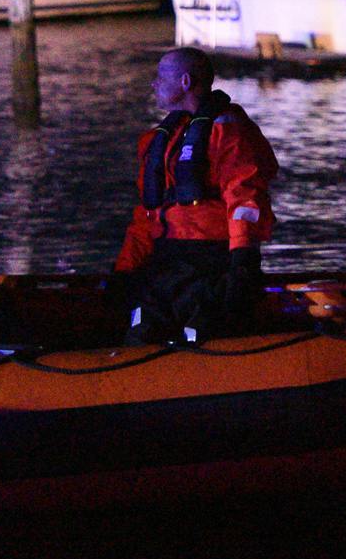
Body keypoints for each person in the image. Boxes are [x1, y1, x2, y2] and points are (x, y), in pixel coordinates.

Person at [110, 47, 278, 341]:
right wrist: (125, 270)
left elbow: (244, 197)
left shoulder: (226, 132)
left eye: (161, 77)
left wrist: (242, 260)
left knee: (203, 330)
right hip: (166, 264)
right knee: (140, 331)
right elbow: (147, 215)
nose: (154, 84)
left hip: (212, 262)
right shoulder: (160, 141)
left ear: (185, 82)